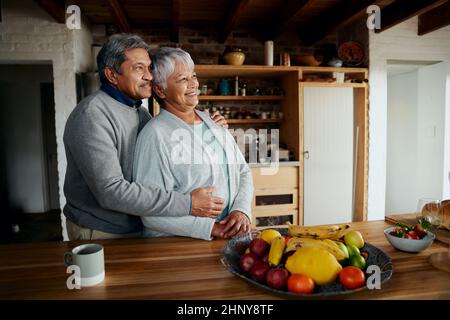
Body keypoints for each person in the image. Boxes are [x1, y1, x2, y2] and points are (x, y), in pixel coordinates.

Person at [63, 34, 228, 240]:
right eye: (139, 68)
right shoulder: (92, 116)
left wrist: (210, 127)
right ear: (112, 75)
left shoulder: (139, 112)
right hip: (101, 231)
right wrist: (188, 204)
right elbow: (110, 192)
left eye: (149, 68)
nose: (150, 76)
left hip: (136, 227)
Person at [133, 47, 253, 240]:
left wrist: (241, 211)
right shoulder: (155, 134)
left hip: (225, 238)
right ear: (160, 90)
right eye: (182, 79)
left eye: (194, 76)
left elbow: (243, 171)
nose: (194, 85)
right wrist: (210, 228)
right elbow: (149, 211)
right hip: (178, 245)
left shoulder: (213, 122)